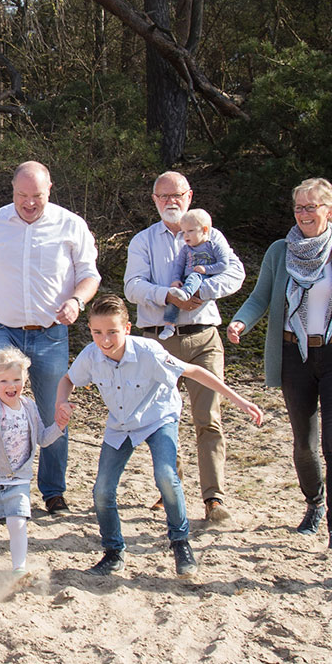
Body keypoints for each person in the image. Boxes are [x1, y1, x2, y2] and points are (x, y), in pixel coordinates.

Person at [56, 296, 263, 580]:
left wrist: (239, 401)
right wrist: (61, 404)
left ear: (127, 328)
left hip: (158, 417)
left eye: (112, 332)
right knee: (102, 490)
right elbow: (67, 380)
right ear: (90, 330)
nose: (105, 340)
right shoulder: (90, 356)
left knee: (166, 475)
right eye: (97, 332)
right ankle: (113, 551)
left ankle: (181, 543)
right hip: (121, 423)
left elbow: (195, 371)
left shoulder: (149, 351)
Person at [227, 179, 332, 551]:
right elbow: (260, 295)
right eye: (299, 207)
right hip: (294, 356)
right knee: (304, 444)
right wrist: (240, 322)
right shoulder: (280, 251)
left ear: (330, 209)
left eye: (312, 207)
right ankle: (313, 503)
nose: (304, 214)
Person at [0, 162, 100, 513]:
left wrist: (77, 301)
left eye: (36, 195)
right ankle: (1, 485)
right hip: (1, 330)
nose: (30, 203)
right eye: (22, 195)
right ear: (12, 190)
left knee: (55, 412)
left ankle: (53, 492)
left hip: (51, 333)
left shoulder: (71, 225)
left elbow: (89, 275)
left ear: (50, 189)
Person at [123, 170, 246, 523]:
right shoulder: (143, 241)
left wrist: (201, 292)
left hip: (204, 336)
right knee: (163, 419)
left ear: (189, 196)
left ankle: (214, 500)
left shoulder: (211, 235)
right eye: (163, 197)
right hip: (159, 340)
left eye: (177, 195)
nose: (171, 202)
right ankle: (169, 491)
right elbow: (132, 287)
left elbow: (234, 274)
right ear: (154, 200)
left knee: (208, 418)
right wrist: (168, 295)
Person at [0, 347, 66, 577]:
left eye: (16, 379)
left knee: (18, 523)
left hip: (19, 479)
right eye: (4, 380)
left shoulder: (29, 406)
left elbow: (42, 439)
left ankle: (19, 569)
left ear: (25, 379)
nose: (11, 385)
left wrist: (59, 426)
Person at [168, 209, 232, 302]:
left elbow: (224, 265)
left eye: (190, 231)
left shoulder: (214, 246)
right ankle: (170, 315)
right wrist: (176, 279)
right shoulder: (185, 249)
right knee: (172, 305)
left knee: (195, 276)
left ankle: (186, 293)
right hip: (185, 281)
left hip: (204, 279)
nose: (186, 236)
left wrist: (206, 269)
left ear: (204, 230)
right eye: (183, 232)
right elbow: (179, 266)